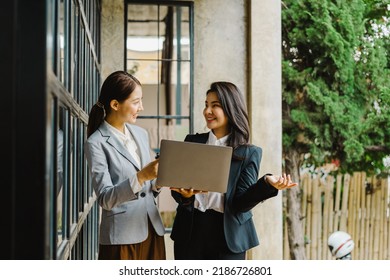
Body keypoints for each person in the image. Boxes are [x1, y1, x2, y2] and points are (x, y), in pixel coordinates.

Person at [170, 81, 297, 260]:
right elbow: (178, 192)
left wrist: (267, 183)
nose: (207, 111)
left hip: (227, 237)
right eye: (206, 105)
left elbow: (241, 203)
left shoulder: (249, 152)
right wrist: (186, 196)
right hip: (190, 233)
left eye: (215, 106)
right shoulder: (192, 142)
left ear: (231, 109)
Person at [84, 70, 166, 260]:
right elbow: (105, 198)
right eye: (136, 102)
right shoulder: (96, 143)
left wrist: (158, 181)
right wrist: (142, 176)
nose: (142, 107)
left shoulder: (141, 134)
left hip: (152, 229)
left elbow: (148, 190)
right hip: (121, 239)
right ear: (115, 104)